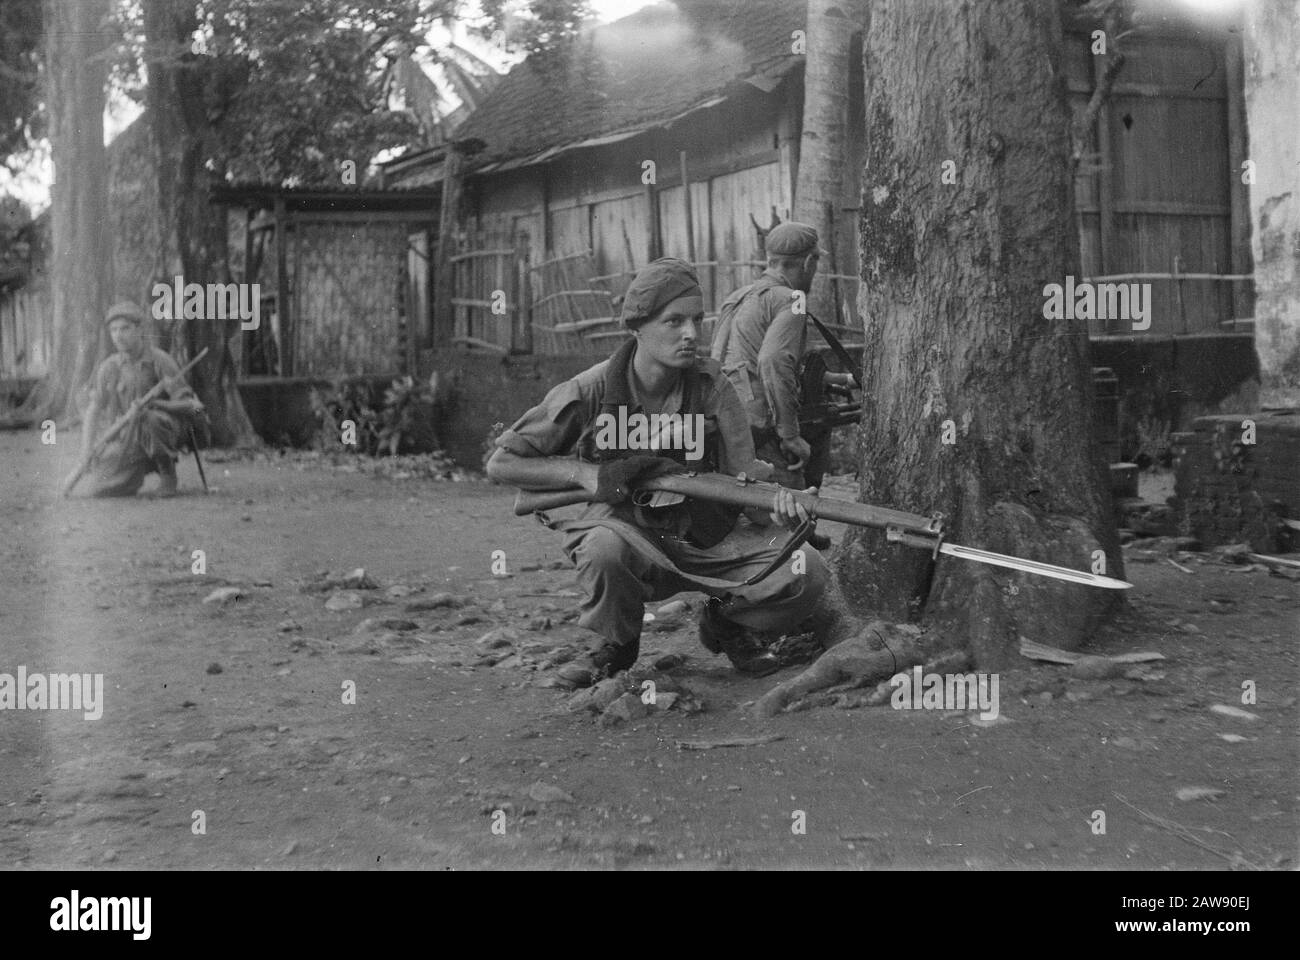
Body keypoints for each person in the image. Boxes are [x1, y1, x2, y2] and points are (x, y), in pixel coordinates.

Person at [486, 258, 834, 689]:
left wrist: (780, 511)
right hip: (629, 533)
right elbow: (503, 463)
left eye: (696, 320)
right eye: (673, 321)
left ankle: (727, 622)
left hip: (705, 534)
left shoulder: (713, 388)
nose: (690, 334)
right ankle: (616, 644)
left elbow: (747, 486)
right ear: (637, 327)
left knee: (807, 571)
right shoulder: (591, 389)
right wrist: (582, 474)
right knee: (603, 548)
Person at [711, 220, 830, 490]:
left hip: (724, 417)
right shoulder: (792, 299)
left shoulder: (737, 297)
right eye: (815, 264)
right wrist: (790, 434)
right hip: (759, 427)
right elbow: (773, 361)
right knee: (791, 502)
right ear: (808, 262)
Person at [79, 301, 205, 498]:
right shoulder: (109, 367)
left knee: (150, 418)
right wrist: (86, 451)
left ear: (139, 330)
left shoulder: (160, 361)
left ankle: (167, 474)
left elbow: (192, 407)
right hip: (130, 436)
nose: (118, 336)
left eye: (125, 329)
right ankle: (136, 470)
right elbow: (94, 410)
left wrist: (157, 404)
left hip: (166, 431)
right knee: (100, 488)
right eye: (113, 330)